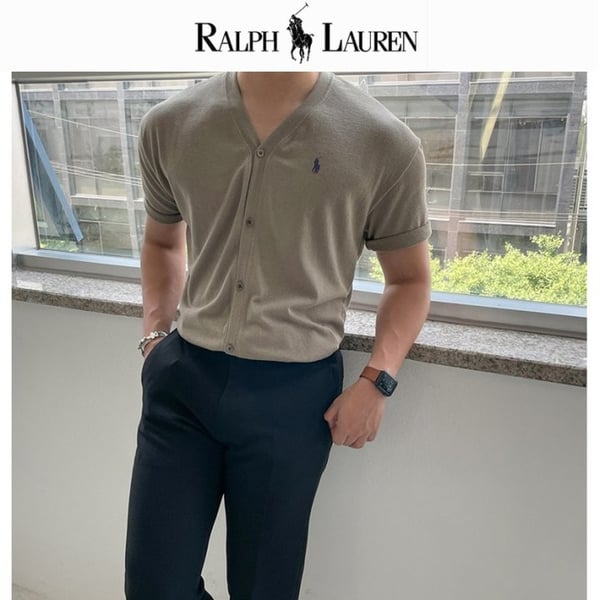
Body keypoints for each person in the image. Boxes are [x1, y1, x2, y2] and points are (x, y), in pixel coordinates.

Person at [124, 71, 431, 600]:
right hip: (183, 385)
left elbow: (410, 280)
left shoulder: (383, 141)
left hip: (293, 400)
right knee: (153, 587)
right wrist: (155, 337)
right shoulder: (169, 124)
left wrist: (378, 381)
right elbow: (162, 242)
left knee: (264, 589)